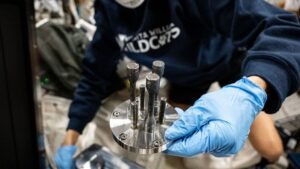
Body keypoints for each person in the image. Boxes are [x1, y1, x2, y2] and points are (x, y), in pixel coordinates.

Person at [54, 0, 300, 168]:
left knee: (272, 150)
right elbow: (94, 73)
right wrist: (71, 135)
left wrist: (252, 90)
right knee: (180, 149)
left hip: (232, 67)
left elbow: (284, 30)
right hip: (186, 81)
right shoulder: (108, 11)